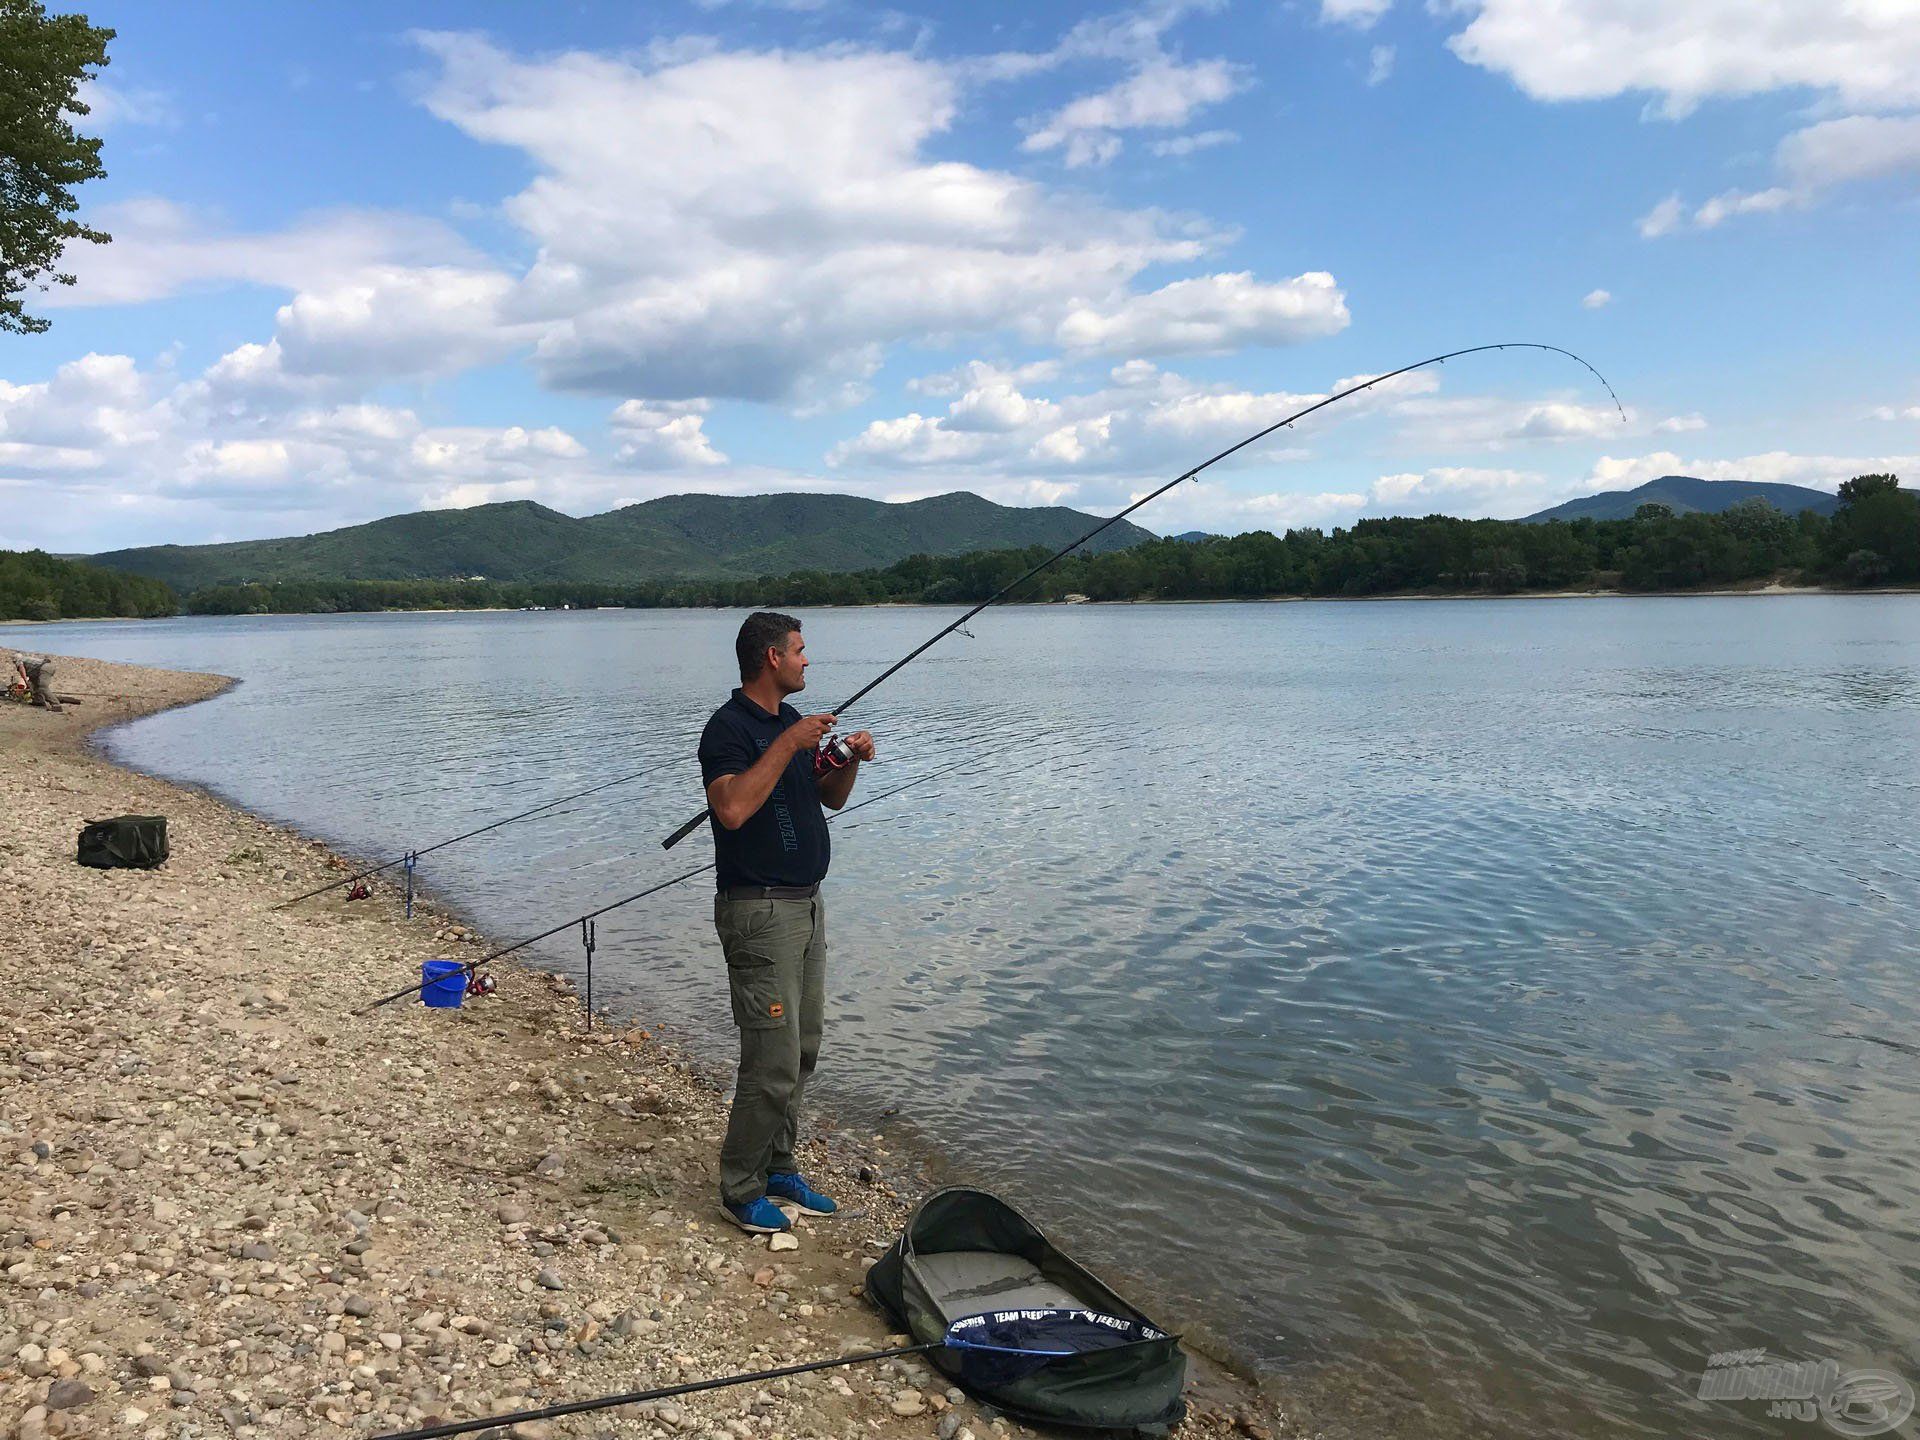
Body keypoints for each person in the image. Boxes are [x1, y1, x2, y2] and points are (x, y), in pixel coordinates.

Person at [698, 611, 874, 1234]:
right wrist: (791, 743)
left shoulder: (786, 729)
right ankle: (739, 1187)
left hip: (806, 904)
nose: (807, 660)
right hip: (759, 911)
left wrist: (846, 759)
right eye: (800, 650)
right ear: (772, 658)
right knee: (769, 1059)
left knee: (800, 1050)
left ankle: (778, 1168)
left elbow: (830, 799)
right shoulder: (730, 728)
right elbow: (734, 808)